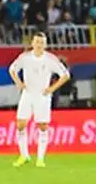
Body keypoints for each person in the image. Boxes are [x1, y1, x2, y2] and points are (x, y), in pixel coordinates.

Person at [9, 31, 70, 168]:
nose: (39, 45)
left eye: (42, 42)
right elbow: (12, 69)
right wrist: (18, 82)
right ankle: (24, 155)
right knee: (20, 124)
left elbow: (65, 75)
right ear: (32, 43)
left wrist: (51, 89)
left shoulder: (50, 59)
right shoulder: (25, 57)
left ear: (45, 45)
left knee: (42, 126)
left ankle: (40, 158)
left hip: (42, 96)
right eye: (37, 42)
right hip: (28, 94)